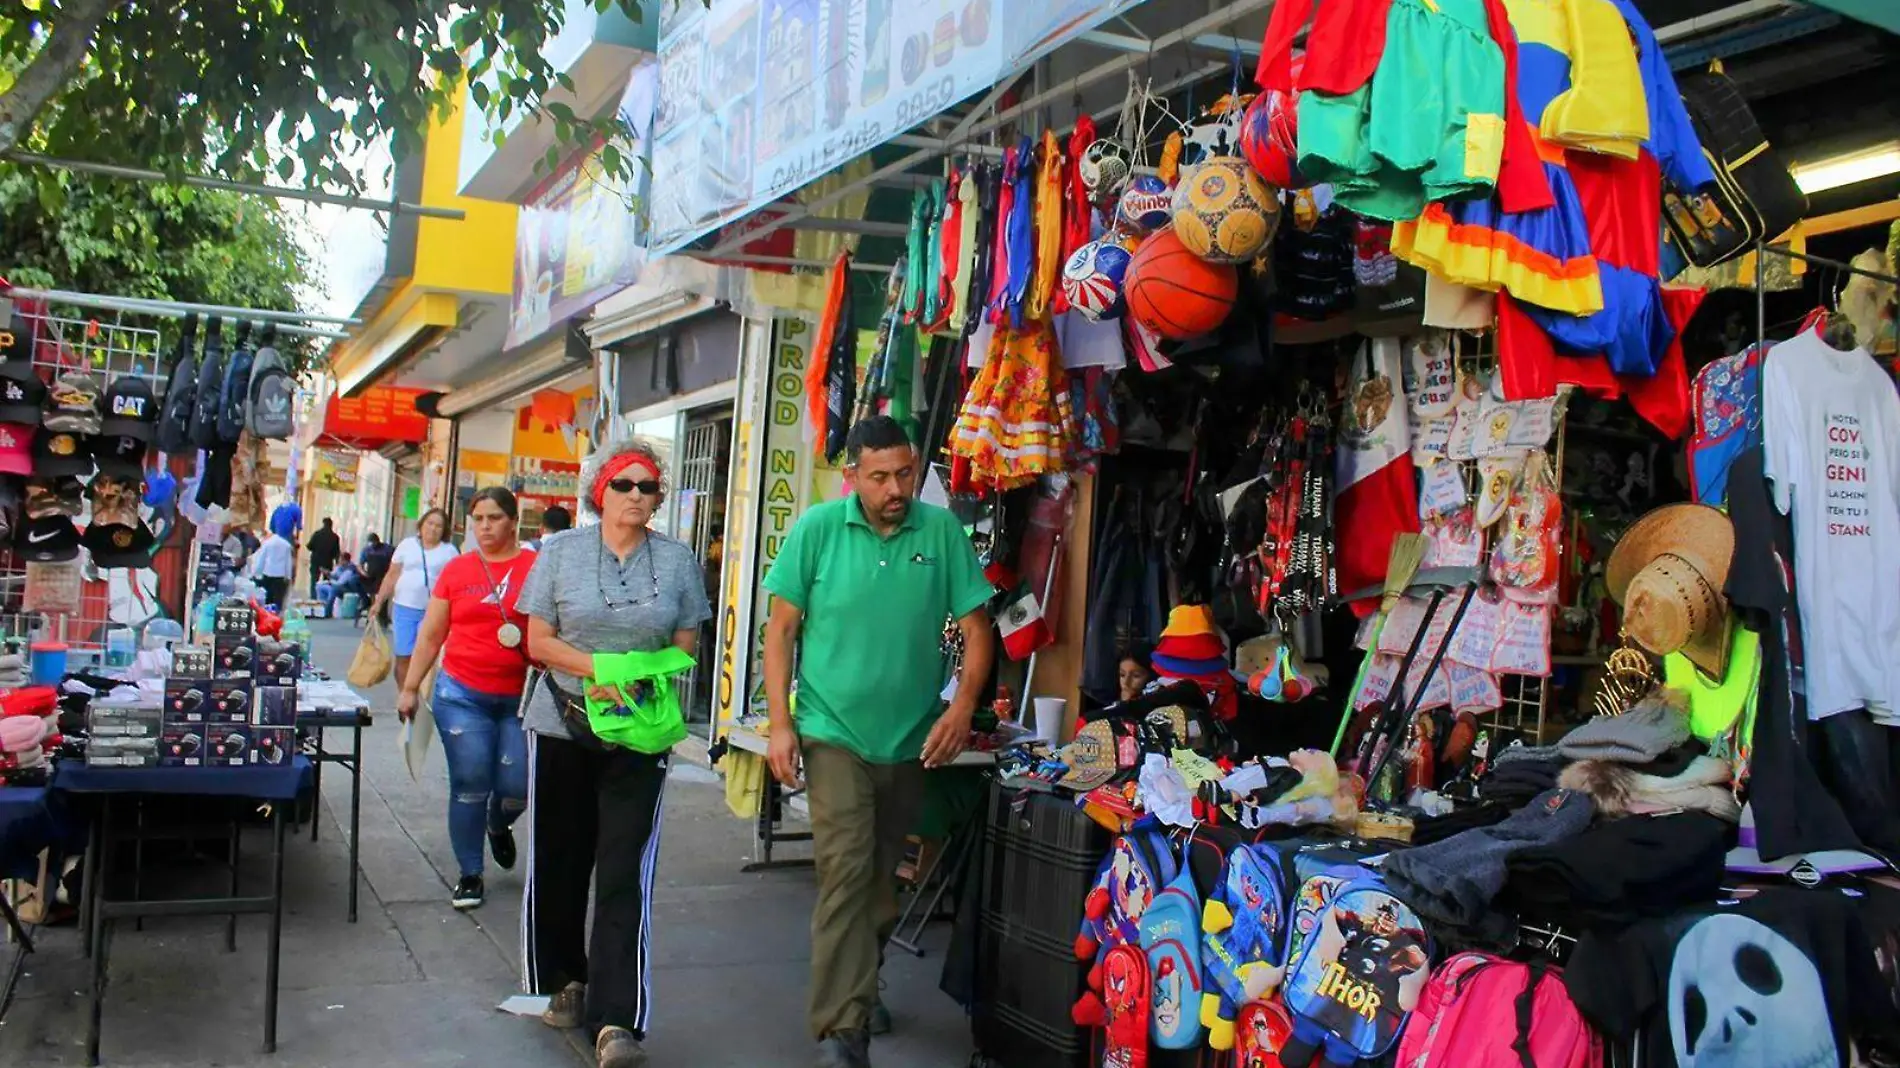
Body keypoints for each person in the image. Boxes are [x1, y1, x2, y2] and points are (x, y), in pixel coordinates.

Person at [761, 416, 995, 1068]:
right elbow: (780, 633)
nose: (897, 488)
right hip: (831, 731)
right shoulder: (816, 530)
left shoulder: (941, 531)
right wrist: (782, 724)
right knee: (845, 873)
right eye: (881, 476)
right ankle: (844, 1032)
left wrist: (963, 707)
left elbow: (979, 630)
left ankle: (859, 988)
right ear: (853, 476)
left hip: (911, 741)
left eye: (906, 474)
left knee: (882, 884)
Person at [517, 437, 711, 1068]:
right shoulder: (560, 552)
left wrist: (635, 673)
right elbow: (538, 641)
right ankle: (565, 984)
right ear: (599, 490)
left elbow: (687, 643)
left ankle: (616, 1020)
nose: (635, 496)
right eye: (623, 484)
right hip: (563, 724)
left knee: (624, 871)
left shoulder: (678, 561)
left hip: (640, 731)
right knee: (561, 862)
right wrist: (596, 667)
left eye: (647, 486)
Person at [396, 488, 536, 910]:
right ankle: (470, 874)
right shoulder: (457, 570)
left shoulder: (536, 567)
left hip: (521, 697)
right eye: (477, 519)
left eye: (493, 517)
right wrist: (409, 687)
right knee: (471, 782)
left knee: (518, 785)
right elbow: (432, 632)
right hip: (462, 693)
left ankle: (499, 822)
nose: (484, 527)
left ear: (513, 520)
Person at [371, 510, 459, 692]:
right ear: (421, 525)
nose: (433, 529)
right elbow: (391, 575)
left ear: (444, 530)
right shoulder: (407, 545)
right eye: (430, 523)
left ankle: (417, 694)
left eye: (438, 525)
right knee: (403, 655)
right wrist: (378, 602)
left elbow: (456, 584)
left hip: (432, 611)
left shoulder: (449, 552)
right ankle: (404, 693)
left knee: (424, 655)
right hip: (404, 608)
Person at [249, 527, 294, 610]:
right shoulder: (286, 545)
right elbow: (288, 562)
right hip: (280, 575)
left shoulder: (267, 544)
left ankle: (268, 613)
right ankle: (277, 614)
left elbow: (261, 560)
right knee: (278, 598)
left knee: (268, 597)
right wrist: (289, 576)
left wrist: (254, 573)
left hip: (268, 573)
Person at [307, 517, 342, 597]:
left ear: (323, 524)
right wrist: (337, 563)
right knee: (326, 582)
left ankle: (313, 598)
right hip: (328, 562)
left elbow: (309, 546)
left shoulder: (317, 534)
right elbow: (336, 551)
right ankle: (324, 598)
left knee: (314, 581)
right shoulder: (335, 537)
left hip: (316, 561)